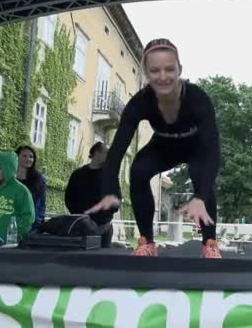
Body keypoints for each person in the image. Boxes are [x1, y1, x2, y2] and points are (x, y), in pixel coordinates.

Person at [85, 38, 221, 258]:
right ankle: (147, 241)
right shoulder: (140, 102)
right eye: (155, 70)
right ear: (146, 74)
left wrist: (201, 196)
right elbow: (118, 147)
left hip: (197, 147)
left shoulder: (198, 99)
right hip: (164, 144)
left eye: (169, 69)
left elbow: (213, 151)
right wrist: (110, 189)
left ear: (180, 70)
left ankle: (210, 242)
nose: (163, 76)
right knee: (139, 169)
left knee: (200, 174)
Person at [65, 142, 115, 247]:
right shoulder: (77, 175)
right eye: (106, 152)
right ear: (97, 153)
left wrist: (103, 217)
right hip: (82, 226)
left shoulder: (110, 176)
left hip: (103, 227)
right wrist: (80, 216)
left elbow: (116, 200)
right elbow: (69, 198)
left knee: (103, 262)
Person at [0, 152, 35, 243]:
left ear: (9, 168)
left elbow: (28, 217)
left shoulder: (22, 191)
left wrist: (14, 235)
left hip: (8, 247)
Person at [15, 145, 46, 229]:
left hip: (32, 224)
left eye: (31, 156)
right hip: (11, 221)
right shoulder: (7, 176)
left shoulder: (39, 179)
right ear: (17, 157)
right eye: (24, 156)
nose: (28, 159)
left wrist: (39, 220)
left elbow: (42, 203)